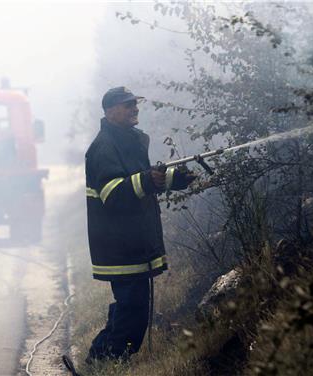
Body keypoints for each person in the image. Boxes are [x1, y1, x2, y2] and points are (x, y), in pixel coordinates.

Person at [84, 86, 196, 362]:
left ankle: (101, 356)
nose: (135, 108)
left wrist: (173, 179)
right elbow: (113, 193)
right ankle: (110, 359)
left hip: (133, 240)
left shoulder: (128, 140)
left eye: (135, 104)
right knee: (133, 307)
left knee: (130, 305)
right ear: (110, 112)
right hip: (119, 244)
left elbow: (143, 181)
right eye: (127, 104)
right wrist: (148, 180)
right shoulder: (104, 147)